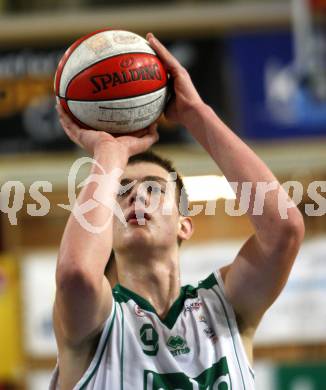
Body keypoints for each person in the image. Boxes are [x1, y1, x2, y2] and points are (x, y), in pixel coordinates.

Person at [49, 33, 305, 390]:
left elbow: (284, 230)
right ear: (105, 225)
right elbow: (76, 274)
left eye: (153, 188)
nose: (136, 198)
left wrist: (197, 114)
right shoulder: (94, 323)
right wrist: (109, 155)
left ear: (185, 224)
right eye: (121, 193)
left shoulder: (228, 308)